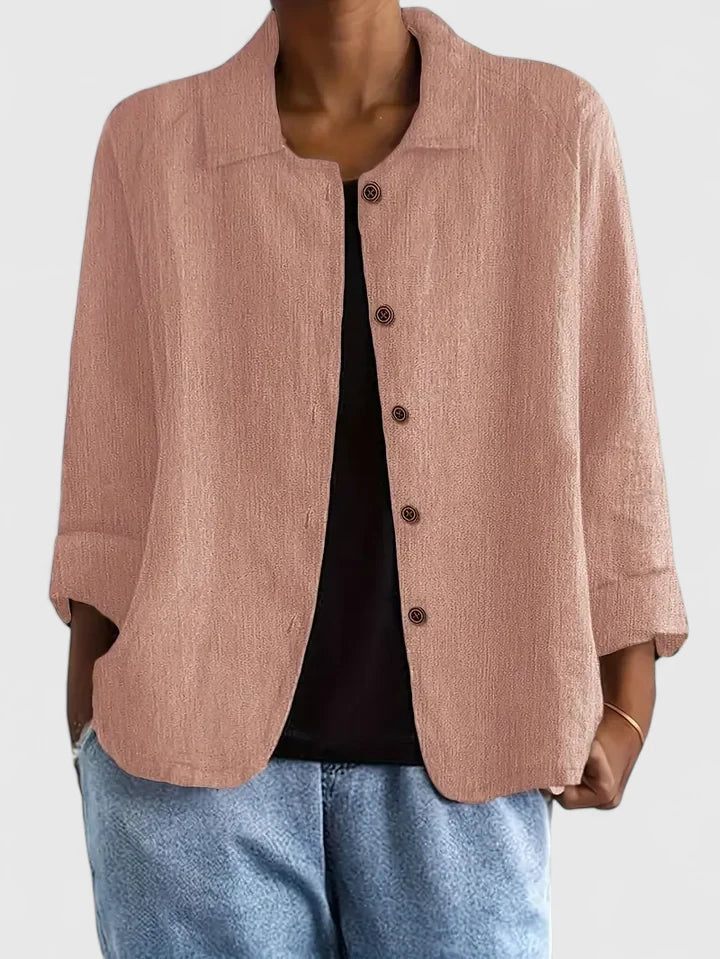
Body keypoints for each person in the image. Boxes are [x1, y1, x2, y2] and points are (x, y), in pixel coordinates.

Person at [50, 2, 689, 956]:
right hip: (184, 784)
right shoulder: (153, 142)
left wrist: (628, 701)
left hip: (470, 769)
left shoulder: (553, 129)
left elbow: (612, 426)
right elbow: (111, 454)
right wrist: (93, 731)